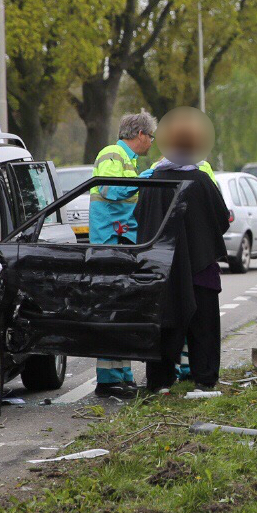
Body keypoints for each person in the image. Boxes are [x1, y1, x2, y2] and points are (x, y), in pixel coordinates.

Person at [139, 108, 230, 396]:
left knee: (164, 325)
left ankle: (160, 382)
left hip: (163, 267)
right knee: (203, 325)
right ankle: (204, 380)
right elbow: (221, 219)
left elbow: (141, 218)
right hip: (199, 267)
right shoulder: (201, 181)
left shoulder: (153, 180)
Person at [89, 110, 155, 397]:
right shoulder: (112, 153)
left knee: (122, 310)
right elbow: (113, 189)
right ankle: (109, 379)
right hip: (109, 245)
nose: (152, 142)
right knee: (112, 311)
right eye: (151, 137)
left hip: (120, 244)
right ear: (140, 134)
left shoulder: (127, 160)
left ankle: (123, 375)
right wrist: (147, 179)